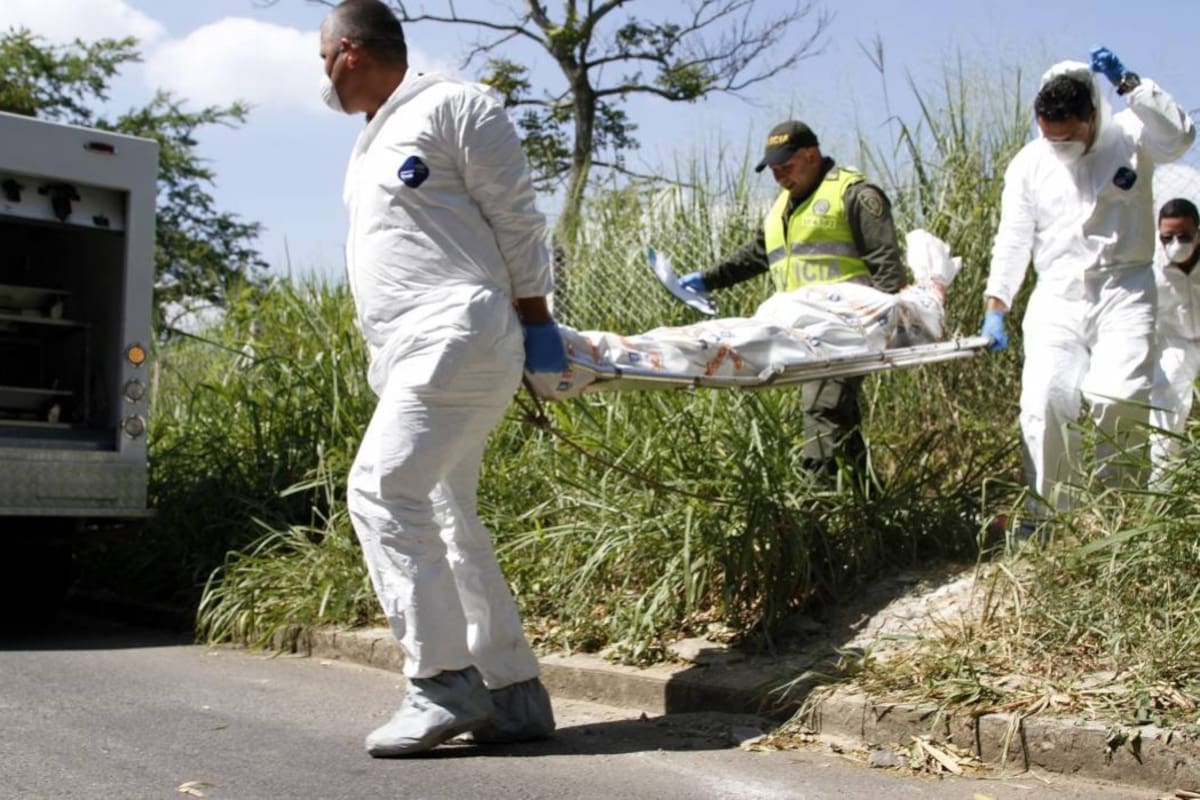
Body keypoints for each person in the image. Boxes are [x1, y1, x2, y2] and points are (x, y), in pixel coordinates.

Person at [318, 0, 565, 757]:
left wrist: (536, 320)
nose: (320, 78)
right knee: (444, 512)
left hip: (458, 329)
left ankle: (440, 684)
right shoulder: (371, 140)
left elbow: (518, 219)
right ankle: (512, 693)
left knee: (381, 488)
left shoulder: (456, 106)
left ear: (349, 53)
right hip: (411, 350)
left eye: (322, 59)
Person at [980, 47, 1195, 514]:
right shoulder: (1029, 164)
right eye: (1049, 136)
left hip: (1125, 289)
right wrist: (997, 305)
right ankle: (1054, 519)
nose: (1059, 146)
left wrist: (1133, 86)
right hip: (1056, 294)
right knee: (1046, 399)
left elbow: (1180, 137)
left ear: (1093, 115)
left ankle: (1119, 513)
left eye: (1068, 138)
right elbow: (1013, 238)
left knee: (1116, 396)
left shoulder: (1132, 136)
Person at [679, 121, 905, 478]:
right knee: (839, 419)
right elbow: (756, 254)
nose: (779, 177)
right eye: (773, 170)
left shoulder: (855, 194)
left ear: (812, 156)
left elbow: (888, 270)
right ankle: (871, 513)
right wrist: (707, 280)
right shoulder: (783, 207)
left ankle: (819, 516)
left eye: (786, 167)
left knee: (822, 409)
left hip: (848, 331)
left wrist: (885, 331)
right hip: (805, 334)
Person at [1149, 198, 1200, 480]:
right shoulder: (1152, 269)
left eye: (1184, 236)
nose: (1176, 243)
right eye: (1168, 237)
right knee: (1168, 397)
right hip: (1175, 342)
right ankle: (1162, 483)